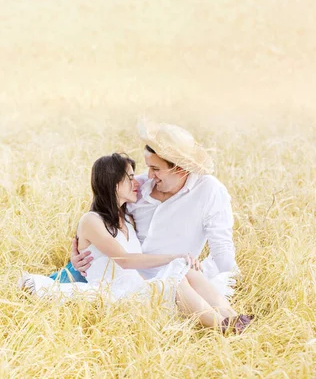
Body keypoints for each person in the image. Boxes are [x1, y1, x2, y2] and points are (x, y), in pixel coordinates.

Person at [21, 153, 253, 333]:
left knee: (186, 273)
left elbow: (134, 271)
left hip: (134, 287)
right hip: (115, 292)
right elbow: (125, 261)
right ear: (113, 183)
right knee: (175, 279)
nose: (138, 182)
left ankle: (231, 315)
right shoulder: (92, 220)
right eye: (130, 178)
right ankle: (223, 327)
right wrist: (174, 257)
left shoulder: (127, 218)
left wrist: (169, 270)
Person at [54, 121, 239, 300]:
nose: (149, 175)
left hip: (172, 278)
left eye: (155, 168)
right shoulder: (138, 188)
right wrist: (78, 253)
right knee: (43, 288)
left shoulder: (209, 190)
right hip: (118, 275)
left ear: (180, 170)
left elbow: (222, 250)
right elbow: (102, 217)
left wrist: (207, 276)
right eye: (148, 167)